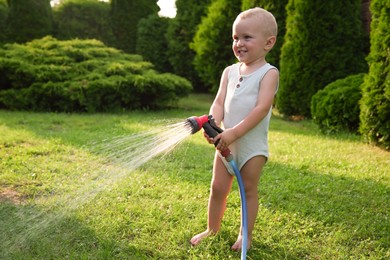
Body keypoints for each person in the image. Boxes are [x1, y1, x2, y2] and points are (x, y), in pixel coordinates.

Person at [190, 7, 279, 251]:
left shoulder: (268, 73)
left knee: (247, 190)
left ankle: (245, 236)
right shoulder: (229, 72)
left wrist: (233, 134)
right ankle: (212, 229)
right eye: (235, 38)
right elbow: (219, 102)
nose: (239, 43)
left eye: (247, 37)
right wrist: (213, 124)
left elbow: (261, 109)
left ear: (268, 43)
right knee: (217, 188)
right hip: (225, 143)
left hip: (251, 148)